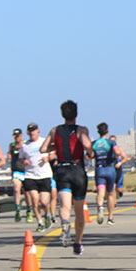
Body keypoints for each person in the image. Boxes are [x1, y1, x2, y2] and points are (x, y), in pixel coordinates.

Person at [40, 100, 93, 254]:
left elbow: (43, 149)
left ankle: (64, 223)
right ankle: (78, 242)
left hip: (62, 170)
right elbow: (87, 144)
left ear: (62, 114)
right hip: (77, 170)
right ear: (76, 114)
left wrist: (56, 146)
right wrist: (90, 153)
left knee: (64, 205)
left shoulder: (55, 130)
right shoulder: (81, 130)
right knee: (79, 210)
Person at [21, 122, 55, 231]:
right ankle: (40, 222)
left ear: (38, 131)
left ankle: (47, 215)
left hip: (44, 175)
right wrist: (24, 161)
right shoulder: (24, 145)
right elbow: (20, 158)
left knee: (44, 202)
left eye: (34, 131)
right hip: (30, 175)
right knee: (35, 200)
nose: (32, 133)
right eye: (30, 131)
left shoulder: (44, 141)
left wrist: (48, 158)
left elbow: (53, 153)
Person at [93, 123, 126, 224]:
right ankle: (110, 217)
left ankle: (100, 207)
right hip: (110, 169)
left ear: (98, 132)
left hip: (99, 169)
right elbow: (117, 152)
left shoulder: (95, 143)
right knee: (111, 193)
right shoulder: (111, 142)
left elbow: (88, 155)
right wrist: (116, 156)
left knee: (100, 191)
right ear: (107, 131)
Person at [9, 128, 27, 222]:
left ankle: (29, 209)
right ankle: (18, 209)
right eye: (15, 136)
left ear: (21, 136)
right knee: (16, 189)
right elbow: (9, 155)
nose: (16, 138)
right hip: (16, 171)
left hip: (26, 171)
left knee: (27, 192)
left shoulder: (26, 144)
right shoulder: (12, 145)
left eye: (18, 136)